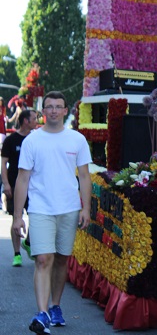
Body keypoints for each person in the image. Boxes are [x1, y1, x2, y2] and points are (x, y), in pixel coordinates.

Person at [11, 91, 92, 334]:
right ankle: (42, 312)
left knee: (61, 260)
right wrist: (17, 217)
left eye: (58, 106)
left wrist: (86, 208)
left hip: (69, 208)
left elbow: (85, 176)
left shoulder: (77, 139)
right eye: (49, 107)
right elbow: (22, 179)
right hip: (40, 209)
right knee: (43, 259)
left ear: (66, 111)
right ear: (42, 112)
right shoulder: (32, 141)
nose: (54, 110)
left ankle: (55, 306)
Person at [2, 109, 38, 267]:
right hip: (15, 185)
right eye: (34, 118)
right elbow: (3, 163)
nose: (37, 121)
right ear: (25, 121)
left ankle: (28, 241)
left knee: (35, 217)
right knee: (16, 218)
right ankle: (17, 254)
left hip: (33, 186)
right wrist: (6, 184)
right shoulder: (11, 140)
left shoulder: (36, 139)